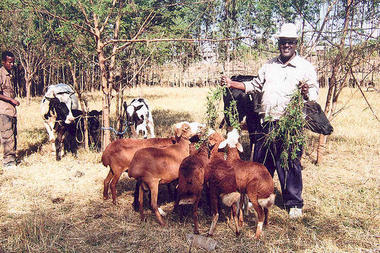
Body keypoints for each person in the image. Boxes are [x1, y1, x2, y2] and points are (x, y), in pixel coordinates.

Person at [221, 23, 319, 219]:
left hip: (290, 124)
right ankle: (255, 197)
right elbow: (254, 86)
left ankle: (294, 203)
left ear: (295, 43)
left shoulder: (305, 67)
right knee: (262, 163)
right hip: (267, 122)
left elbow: (314, 94)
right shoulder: (269, 66)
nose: (286, 45)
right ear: (279, 43)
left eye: (290, 42)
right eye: (283, 42)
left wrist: (307, 92)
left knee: (290, 162)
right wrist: (232, 84)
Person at [0, 51, 20, 169]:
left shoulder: (10, 75)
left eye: (13, 62)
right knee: (7, 136)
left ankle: (12, 158)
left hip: (11, 111)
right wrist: (11, 100)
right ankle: (8, 162)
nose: (12, 64)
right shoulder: (1, 74)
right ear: (3, 62)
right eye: (9, 62)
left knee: (13, 135)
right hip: (3, 110)